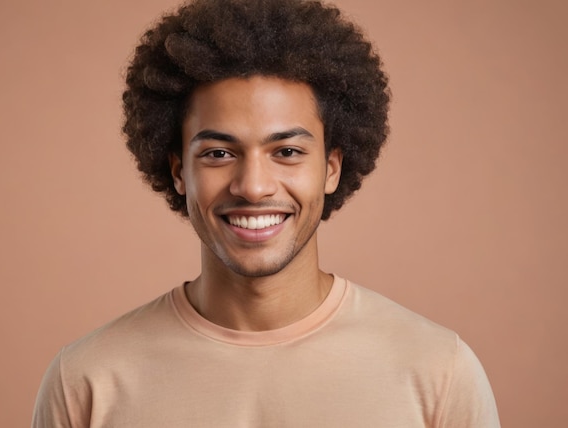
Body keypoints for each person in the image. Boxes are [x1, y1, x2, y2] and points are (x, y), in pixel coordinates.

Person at [32, 0, 500, 426]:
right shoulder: (86, 383)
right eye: (218, 153)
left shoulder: (439, 373)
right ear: (178, 172)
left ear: (331, 168)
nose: (253, 186)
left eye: (288, 151)